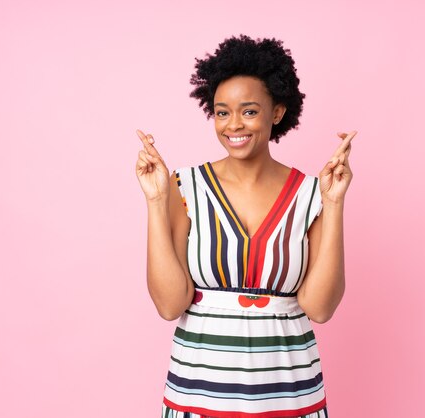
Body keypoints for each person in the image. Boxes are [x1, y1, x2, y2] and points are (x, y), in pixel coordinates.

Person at [135, 34, 356, 418]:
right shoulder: (183, 186)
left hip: (291, 400)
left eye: (249, 111)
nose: (233, 124)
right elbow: (170, 305)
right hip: (198, 399)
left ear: (277, 112)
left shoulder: (310, 193)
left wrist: (333, 202)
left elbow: (320, 309)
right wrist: (155, 200)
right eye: (222, 112)